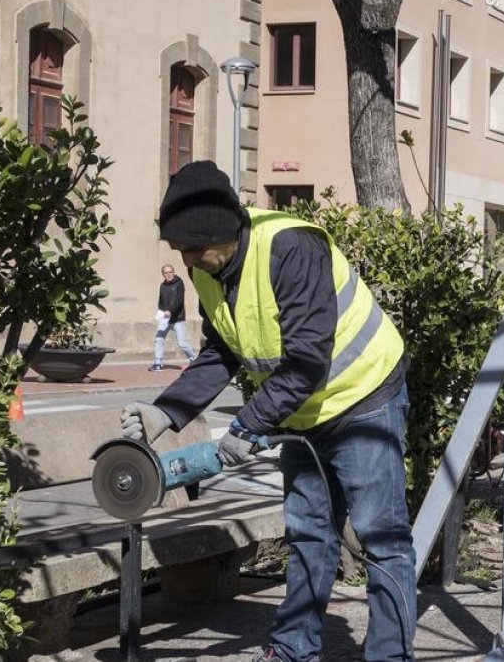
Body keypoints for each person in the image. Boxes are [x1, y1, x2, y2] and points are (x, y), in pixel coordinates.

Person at [119, 161, 416, 662]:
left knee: (380, 537)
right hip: (302, 414)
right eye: (180, 250)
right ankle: (293, 649)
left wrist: (246, 426)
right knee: (308, 535)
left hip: (364, 398)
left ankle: (389, 656)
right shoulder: (208, 269)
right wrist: (164, 411)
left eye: (194, 248)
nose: (187, 259)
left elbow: (306, 361)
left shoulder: (291, 248)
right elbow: (221, 352)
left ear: (226, 231)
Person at [149, 264, 198, 371]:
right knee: (159, 339)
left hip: (177, 318)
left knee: (182, 343)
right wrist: (161, 311)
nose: (169, 274)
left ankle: (193, 359)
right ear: (163, 274)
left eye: (170, 272)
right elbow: (161, 301)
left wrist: (170, 310)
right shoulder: (162, 286)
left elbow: (179, 300)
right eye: (166, 273)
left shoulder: (179, 283)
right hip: (165, 318)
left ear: (173, 272)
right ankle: (158, 363)